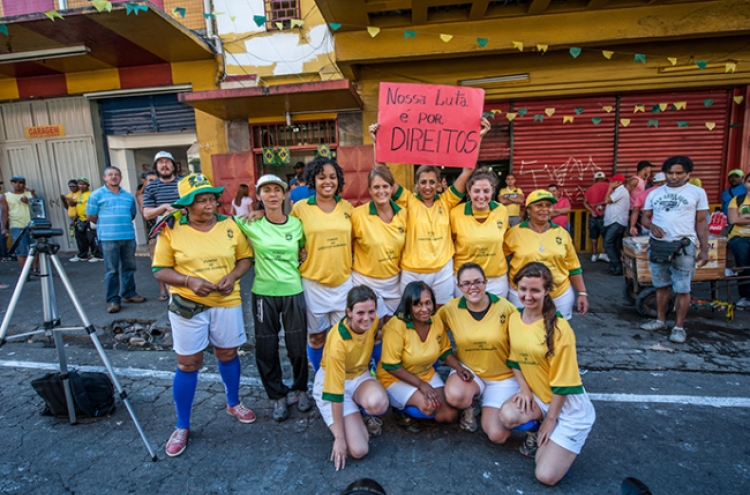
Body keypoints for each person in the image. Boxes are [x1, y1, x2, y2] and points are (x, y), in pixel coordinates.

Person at [152, 173, 255, 457]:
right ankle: (182, 425)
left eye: (212, 198)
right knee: (188, 363)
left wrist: (233, 276)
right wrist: (188, 282)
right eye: (202, 200)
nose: (210, 205)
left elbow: (245, 258)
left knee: (228, 353)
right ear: (186, 205)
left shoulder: (230, 224)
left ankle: (233, 403)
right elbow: (160, 269)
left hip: (226, 301)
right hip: (188, 304)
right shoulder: (171, 229)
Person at [369, 118, 491, 307]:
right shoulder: (408, 200)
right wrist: (377, 141)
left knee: (441, 314)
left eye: (432, 182)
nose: (427, 187)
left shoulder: (447, 200)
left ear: (438, 184)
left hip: (442, 270)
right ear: (417, 183)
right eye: (423, 182)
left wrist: (478, 136)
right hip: (412, 270)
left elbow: (468, 170)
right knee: (412, 313)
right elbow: (382, 172)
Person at [499, 262, 595, 486]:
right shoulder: (515, 318)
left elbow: (564, 384)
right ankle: (542, 436)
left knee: (545, 476)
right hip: (541, 399)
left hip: (569, 410)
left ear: (547, 291)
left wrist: (550, 421)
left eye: (535, 290)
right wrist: (524, 389)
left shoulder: (561, 329)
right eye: (523, 289)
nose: (528, 295)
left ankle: (561, 439)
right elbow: (514, 360)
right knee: (507, 416)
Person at [235, 174, 311, 422]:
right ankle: (277, 395)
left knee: (298, 347)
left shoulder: (297, 225)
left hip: (293, 291)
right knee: (266, 348)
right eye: (266, 190)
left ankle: (300, 389)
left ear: (285, 194)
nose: (272, 194)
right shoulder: (249, 223)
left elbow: (304, 251)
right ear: (258, 196)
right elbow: (217, 224)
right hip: (263, 293)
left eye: (277, 190)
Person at [313, 286, 389, 471]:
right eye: (360, 313)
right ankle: (349, 423)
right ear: (349, 312)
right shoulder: (338, 342)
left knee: (379, 403)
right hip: (332, 385)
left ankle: (356, 416)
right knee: (359, 450)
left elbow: (375, 334)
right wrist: (339, 439)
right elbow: (336, 393)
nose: (367, 317)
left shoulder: (373, 321)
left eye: (371, 311)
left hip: (358, 375)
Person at [440, 263, 519, 440]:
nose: (472, 287)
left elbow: (522, 346)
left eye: (477, 281)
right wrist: (455, 365)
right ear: (459, 286)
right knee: (455, 396)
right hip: (470, 372)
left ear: (486, 282)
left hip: (502, 378)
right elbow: (434, 338)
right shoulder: (451, 309)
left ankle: (492, 405)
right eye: (466, 283)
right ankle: (471, 404)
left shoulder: (506, 308)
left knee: (498, 436)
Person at [290, 157, 354, 371]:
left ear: (339, 180)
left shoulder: (348, 207)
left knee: (342, 337)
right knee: (316, 337)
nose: (328, 182)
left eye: (332, 177)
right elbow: (288, 236)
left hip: (343, 281)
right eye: (321, 177)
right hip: (313, 283)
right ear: (313, 180)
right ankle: (319, 376)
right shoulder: (300, 208)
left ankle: (340, 377)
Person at [640, 156, 709, 343]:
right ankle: (660, 320)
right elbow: (645, 217)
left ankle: (679, 327)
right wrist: (651, 226)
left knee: (682, 288)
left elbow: (701, 222)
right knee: (660, 286)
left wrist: (704, 249)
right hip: (659, 246)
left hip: (684, 246)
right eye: (670, 173)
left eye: (679, 173)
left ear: (688, 174)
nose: (673, 177)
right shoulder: (654, 193)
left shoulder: (697, 193)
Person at [376, 281, 461, 432]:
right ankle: (400, 411)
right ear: (408, 306)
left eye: (428, 303)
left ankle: (413, 402)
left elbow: (445, 351)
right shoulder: (397, 326)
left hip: (425, 374)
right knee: (429, 408)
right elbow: (391, 365)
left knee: (449, 415)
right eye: (417, 304)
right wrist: (422, 386)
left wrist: (459, 368)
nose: (424, 309)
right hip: (394, 378)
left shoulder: (435, 320)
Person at [504, 190, 588, 320]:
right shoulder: (514, 233)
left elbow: (573, 266)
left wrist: (582, 293)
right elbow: (499, 258)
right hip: (522, 295)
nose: (545, 209)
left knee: (557, 333)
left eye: (548, 205)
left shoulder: (562, 233)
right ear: (528, 210)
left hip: (559, 294)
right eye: (539, 205)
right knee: (524, 332)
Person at [86, 166, 146, 314]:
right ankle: (113, 299)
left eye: (117, 175)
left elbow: (132, 215)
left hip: (128, 236)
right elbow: (91, 216)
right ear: (104, 178)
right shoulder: (96, 195)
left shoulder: (128, 196)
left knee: (129, 267)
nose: (114, 177)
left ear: (121, 177)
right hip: (108, 238)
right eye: (110, 175)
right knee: (111, 270)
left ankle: (129, 293)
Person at [351, 167, 406, 320]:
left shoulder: (403, 213)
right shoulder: (357, 215)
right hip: (366, 281)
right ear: (369, 189)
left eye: (385, 186)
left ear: (391, 188)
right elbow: (345, 243)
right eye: (376, 187)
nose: (381, 191)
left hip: (394, 282)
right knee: (374, 327)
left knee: (392, 325)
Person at [450, 168, 509, 297]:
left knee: (496, 315)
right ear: (468, 190)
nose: (481, 196)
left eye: (486, 191)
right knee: (464, 316)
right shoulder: (455, 213)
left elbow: (506, 242)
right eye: (476, 191)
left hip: (496, 278)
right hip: (465, 279)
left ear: (493, 190)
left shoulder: (502, 211)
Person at [143, 152, 180, 300]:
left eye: (167, 162)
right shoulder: (151, 187)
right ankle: (170, 296)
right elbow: (147, 213)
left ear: (173, 165)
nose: (164, 165)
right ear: (156, 167)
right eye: (160, 162)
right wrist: (165, 206)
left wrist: (179, 209)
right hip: (162, 234)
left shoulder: (183, 183)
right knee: (163, 266)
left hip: (183, 232)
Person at [0, 176, 38, 274]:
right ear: (12, 183)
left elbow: (38, 208)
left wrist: (29, 201)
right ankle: (25, 273)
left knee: (35, 248)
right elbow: (4, 212)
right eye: (14, 182)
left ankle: (35, 269)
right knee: (21, 251)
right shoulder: (5, 196)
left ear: (24, 184)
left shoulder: (30, 194)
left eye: (20, 183)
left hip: (32, 224)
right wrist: (3, 227)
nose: (17, 185)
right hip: (16, 226)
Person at [727, 172, 750, 308]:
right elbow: (733, 219)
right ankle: (745, 297)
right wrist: (741, 218)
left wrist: (746, 216)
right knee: (743, 268)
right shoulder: (737, 199)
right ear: (745, 183)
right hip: (739, 238)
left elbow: (739, 218)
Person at [602, 174, 630, 276]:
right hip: (615, 222)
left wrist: (609, 188)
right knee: (615, 245)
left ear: (619, 182)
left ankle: (617, 265)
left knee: (608, 243)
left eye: (612, 182)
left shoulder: (621, 191)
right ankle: (615, 267)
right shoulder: (618, 191)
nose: (610, 183)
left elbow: (607, 200)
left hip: (616, 222)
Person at [70, 178, 102, 262]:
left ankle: (97, 255)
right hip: (81, 220)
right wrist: (74, 220)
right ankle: (82, 255)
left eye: (83, 184)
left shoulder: (91, 195)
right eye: (79, 184)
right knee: (80, 238)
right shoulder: (79, 195)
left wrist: (93, 217)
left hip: (89, 219)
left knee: (92, 238)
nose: (81, 186)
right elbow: (78, 208)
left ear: (88, 185)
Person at [583, 172, 610, 263]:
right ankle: (603, 253)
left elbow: (585, 203)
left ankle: (594, 254)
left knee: (593, 235)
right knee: (606, 235)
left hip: (592, 214)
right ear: (604, 178)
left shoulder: (590, 189)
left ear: (594, 179)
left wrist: (592, 210)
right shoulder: (608, 187)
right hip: (605, 213)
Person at [629, 172, 666, 236]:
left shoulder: (642, 194)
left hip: (646, 227)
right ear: (663, 182)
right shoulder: (666, 194)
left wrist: (632, 226)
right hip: (662, 229)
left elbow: (635, 211)